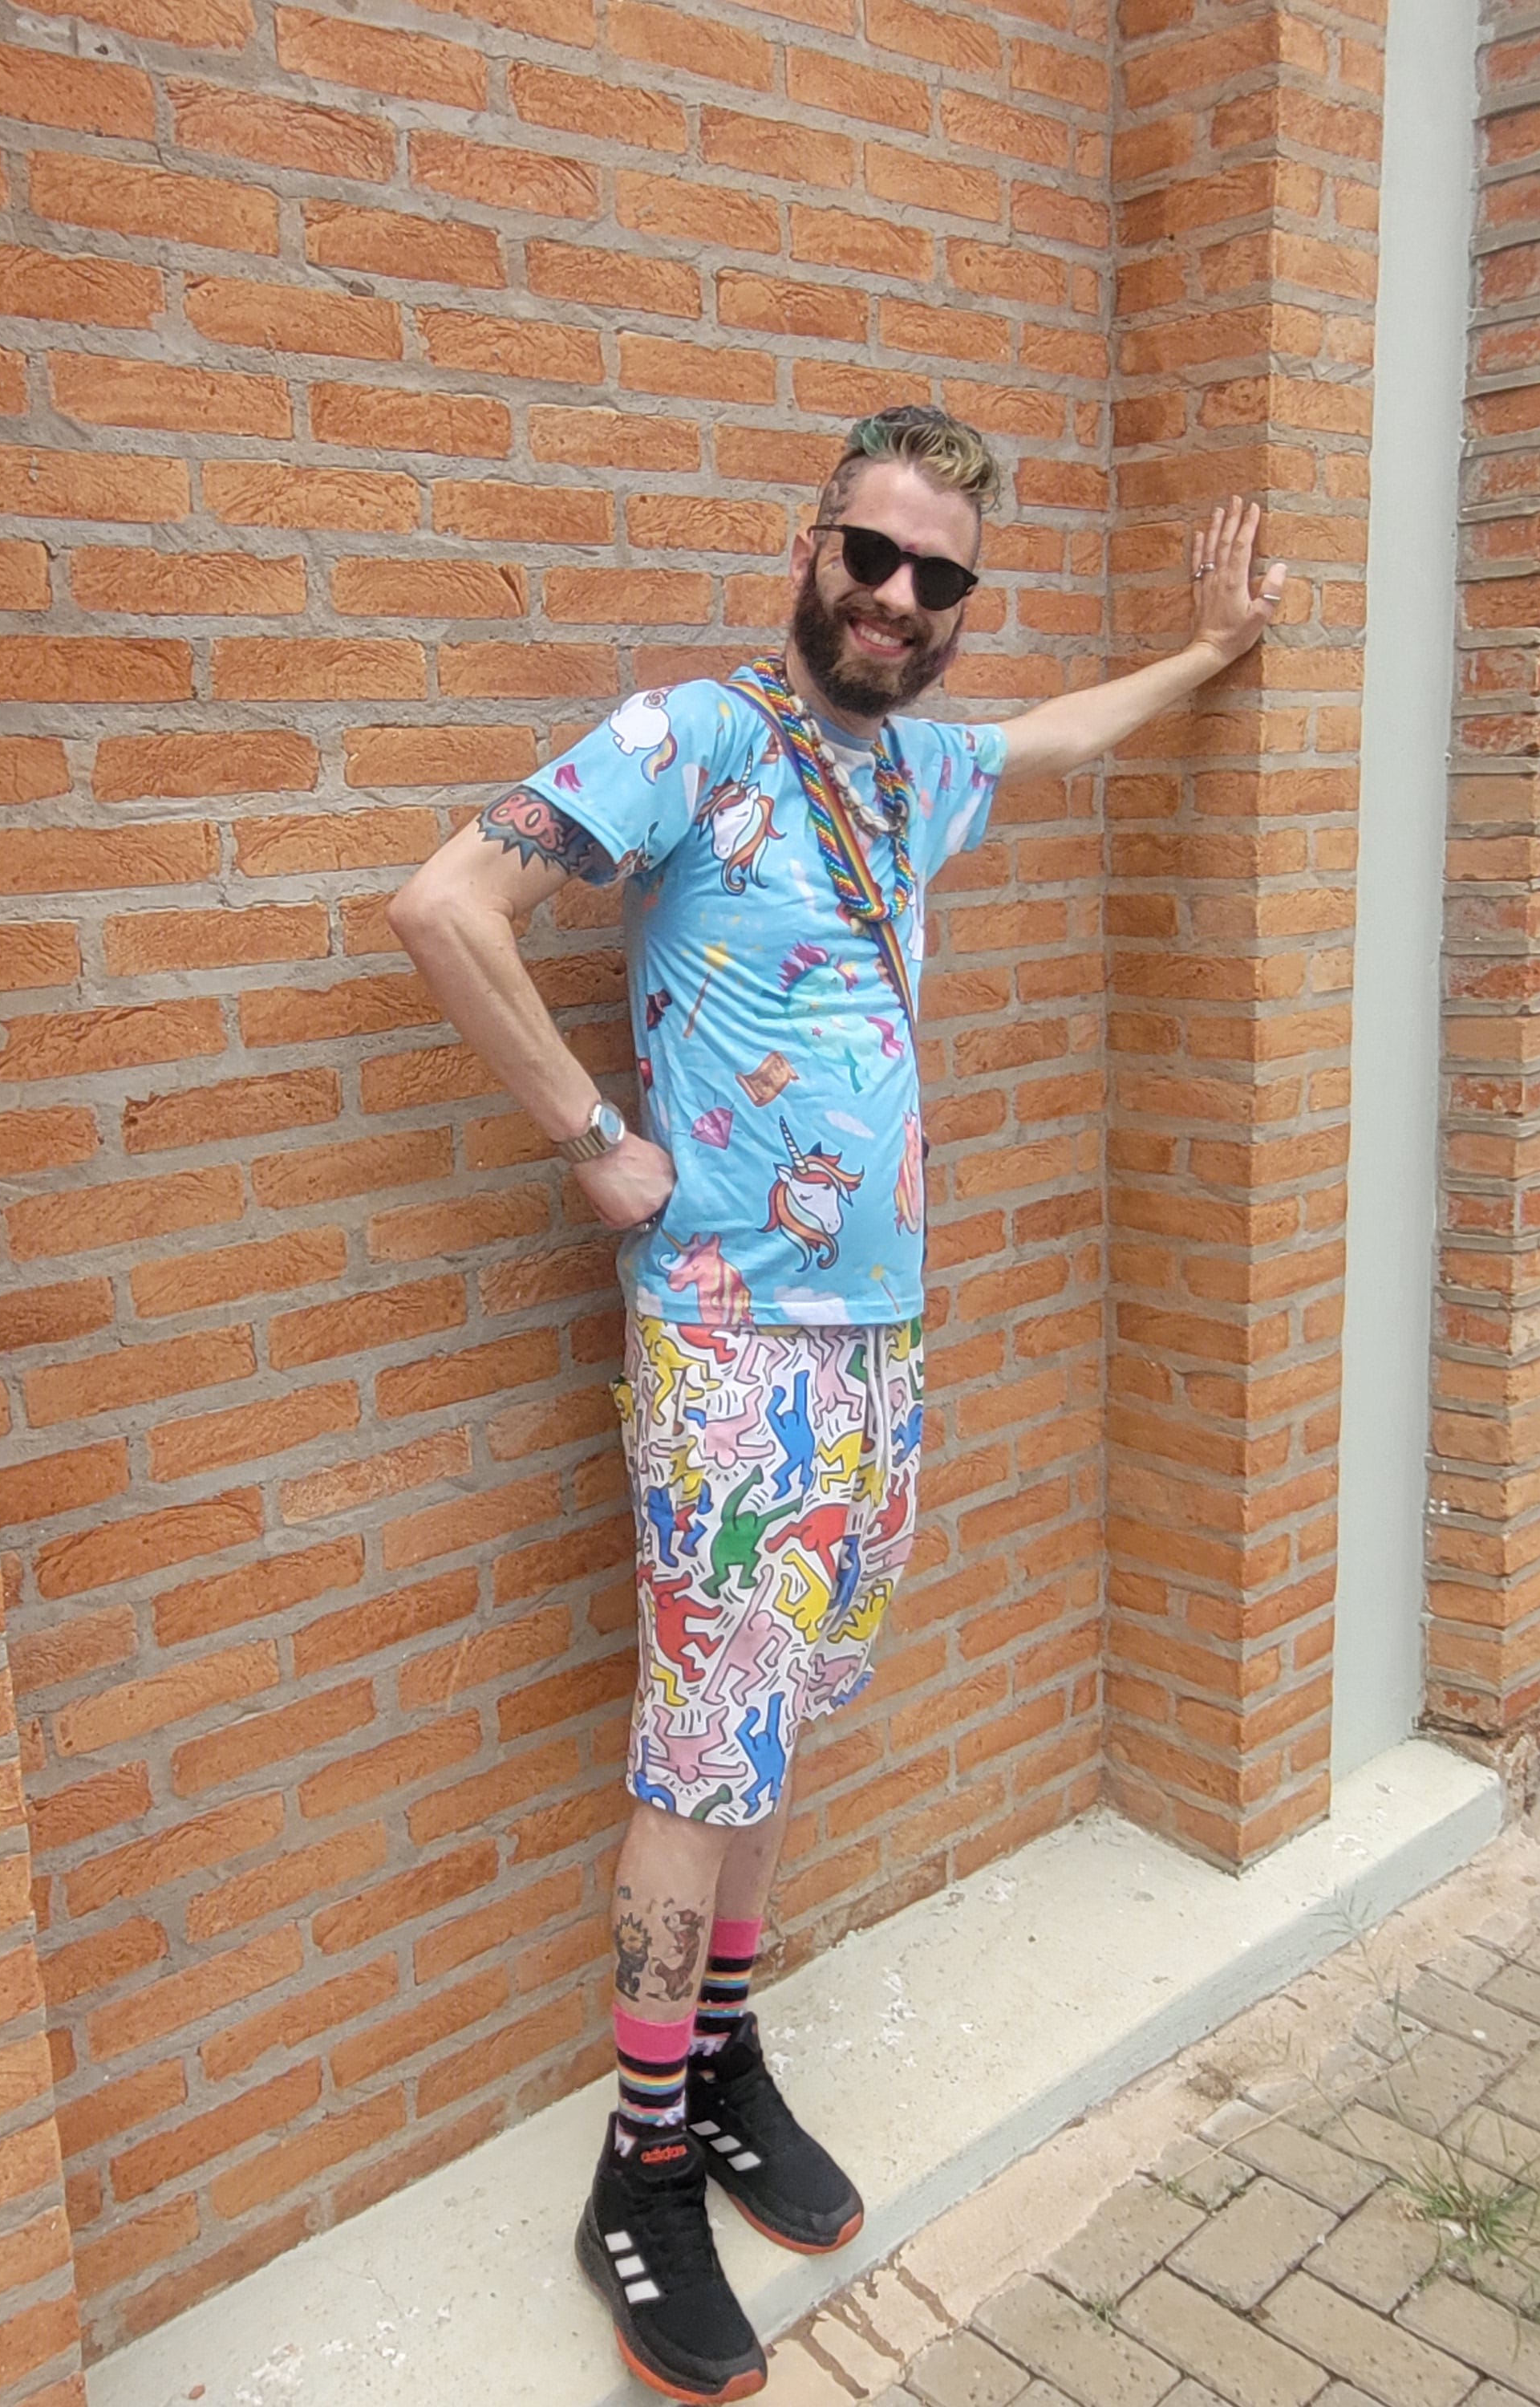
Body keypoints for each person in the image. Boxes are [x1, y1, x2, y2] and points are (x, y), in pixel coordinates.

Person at [388, 405, 1287, 2403]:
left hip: (876, 1344)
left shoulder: (914, 774)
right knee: (695, 1753)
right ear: (806, 552)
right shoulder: (690, 742)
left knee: (771, 1721)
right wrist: (589, 1136)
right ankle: (635, 2171)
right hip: (732, 1349)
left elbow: (1060, 738)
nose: (894, 599)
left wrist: (1210, 653)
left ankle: (717, 2065)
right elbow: (444, 905)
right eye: (867, 556)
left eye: (936, 576)